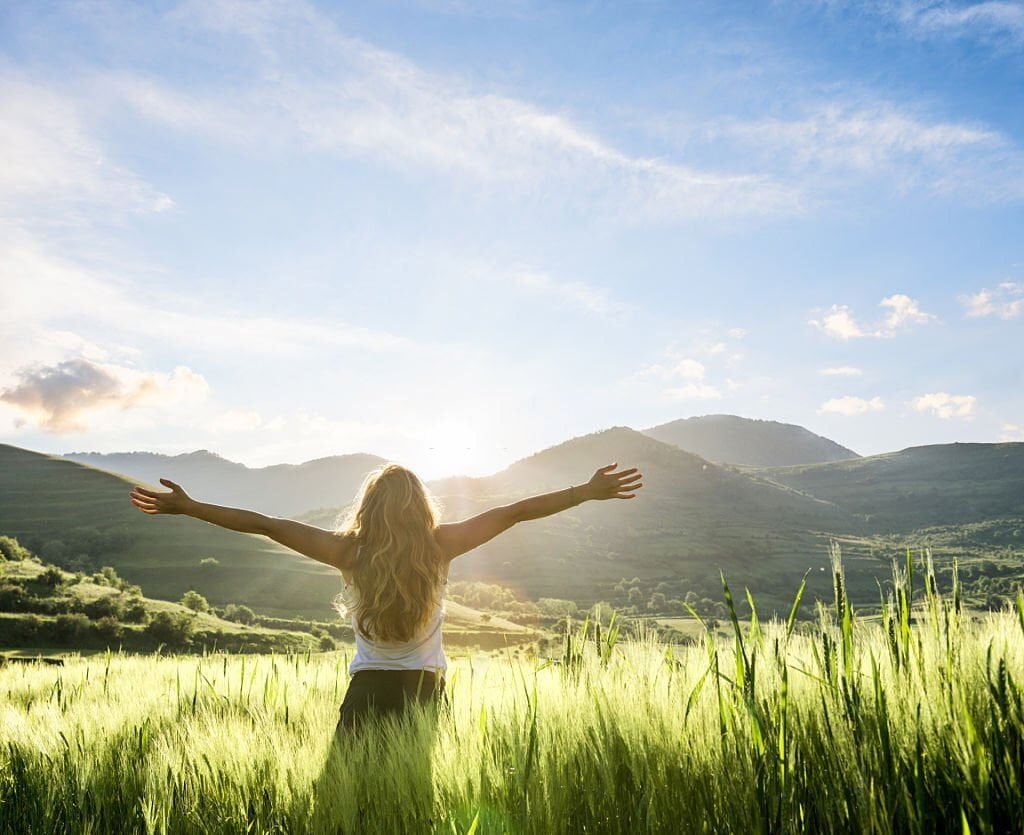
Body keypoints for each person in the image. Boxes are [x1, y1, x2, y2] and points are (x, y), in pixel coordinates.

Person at [127, 460, 643, 735]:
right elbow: (512, 512)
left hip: (366, 691)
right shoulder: (443, 545)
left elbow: (265, 524)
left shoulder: (347, 552)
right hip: (426, 691)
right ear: (421, 507)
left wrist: (191, 508)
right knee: (414, 800)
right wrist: (583, 492)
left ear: (367, 508)